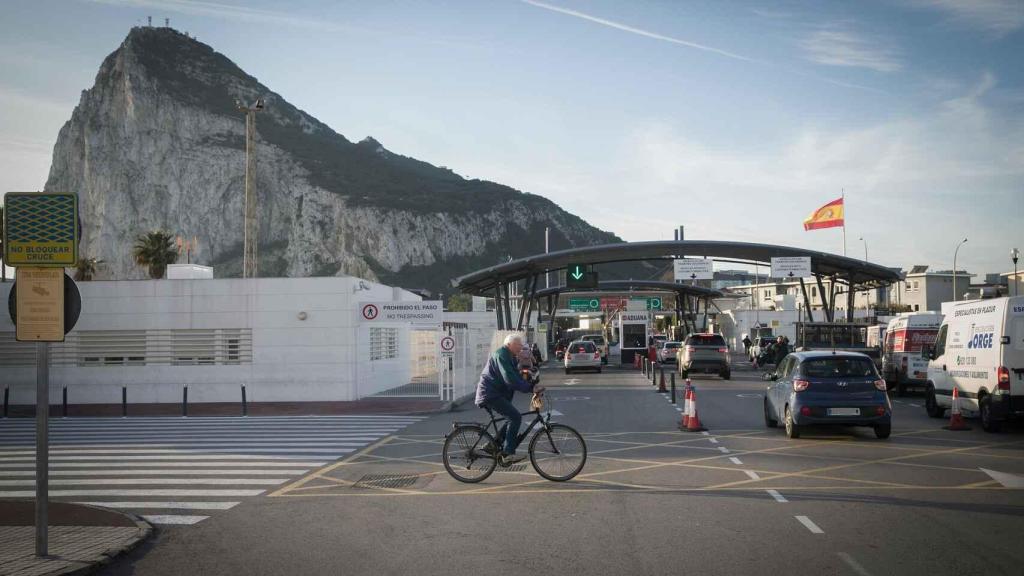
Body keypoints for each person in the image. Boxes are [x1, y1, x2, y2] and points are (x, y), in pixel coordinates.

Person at [475, 333, 544, 466]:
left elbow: (516, 376)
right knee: (515, 417)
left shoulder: (510, 356)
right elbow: (509, 379)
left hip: (495, 393)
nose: (521, 348)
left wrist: (531, 383)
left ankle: (492, 445)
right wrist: (530, 389)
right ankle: (508, 453)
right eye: (518, 345)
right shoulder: (502, 355)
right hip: (490, 394)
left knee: (512, 418)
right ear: (509, 344)